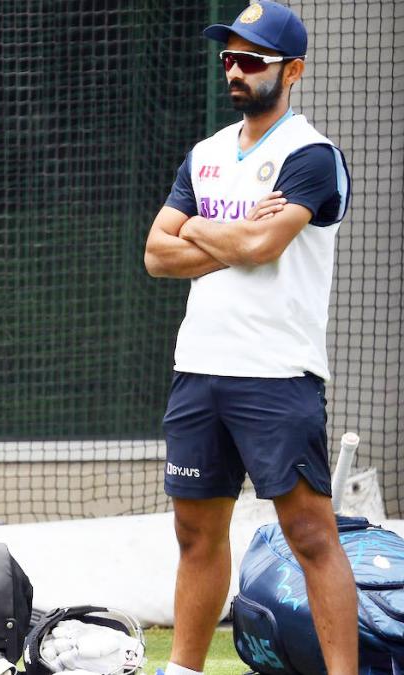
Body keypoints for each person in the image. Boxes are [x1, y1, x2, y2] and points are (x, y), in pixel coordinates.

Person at [143, 3, 356, 674]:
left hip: (277, 373)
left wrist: (201, 230)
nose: (235, 70)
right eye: (228, 57)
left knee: (311, 533)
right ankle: (182, 669)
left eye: (252, 60)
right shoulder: (205, 154)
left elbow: (265, 244)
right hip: (198, 368)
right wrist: (231, 237)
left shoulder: (312, 154)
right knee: (194, 533)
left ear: (291, 70)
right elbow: (154, 253)